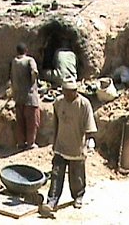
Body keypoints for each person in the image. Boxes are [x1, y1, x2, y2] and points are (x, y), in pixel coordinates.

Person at [42, 77, 97, 215]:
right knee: (56, 175)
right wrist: (54, 143)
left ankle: (78, 196)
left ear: (75, 91)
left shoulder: (84, 104)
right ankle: (52, 201)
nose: (66, 94)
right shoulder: (59, 102)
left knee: (77, 176)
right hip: (61, 146)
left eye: (69, 92)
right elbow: (56, 124)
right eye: (64, 91)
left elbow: (89, 126)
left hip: (77, 147)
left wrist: (89, 142)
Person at [10, 42, 41, 150]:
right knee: (32, 121)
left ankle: (21, 143)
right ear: (26, 50)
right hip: (30, 96)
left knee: (20, 122)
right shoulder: (30, 60)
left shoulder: (14, 62)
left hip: (18, 97)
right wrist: (33, 81)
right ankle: (31, 143)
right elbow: (34, 72)